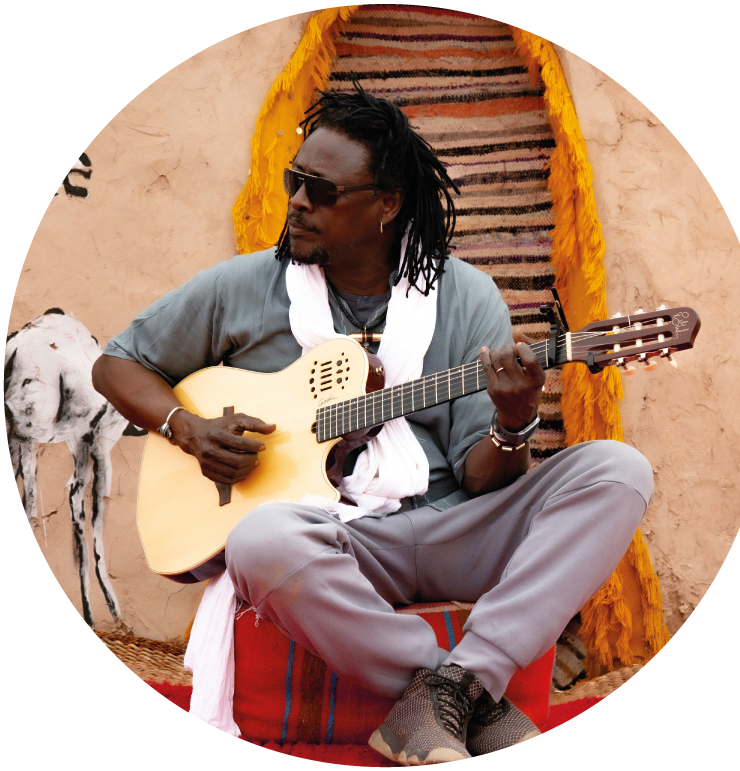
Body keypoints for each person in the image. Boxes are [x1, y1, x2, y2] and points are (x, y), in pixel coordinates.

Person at [93, 84, 653, 763]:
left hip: (450, 523)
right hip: (334, 540)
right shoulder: (241, 287)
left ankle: (453, 687)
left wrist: (511, 421)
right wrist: (186, 426)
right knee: (259, 541)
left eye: (321, 191)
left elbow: (484, 478)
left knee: (618, 470)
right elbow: (117, 364)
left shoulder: (466, 294)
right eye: (294, 180)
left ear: (386, 204)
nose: (297, 202)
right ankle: (463, 690)